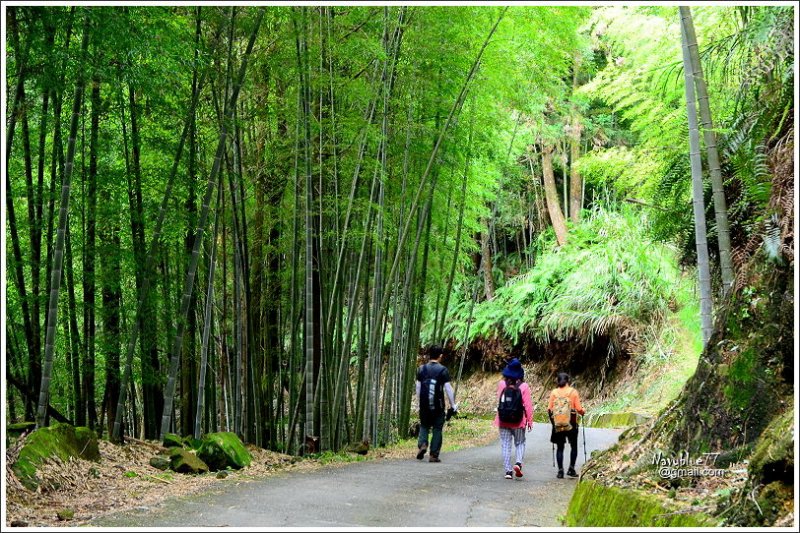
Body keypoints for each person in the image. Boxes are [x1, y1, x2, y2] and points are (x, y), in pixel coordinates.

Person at [493, 358, 534, 480]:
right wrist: (529, 420)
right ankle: (518, 463)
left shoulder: (501, 384)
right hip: (518, 421)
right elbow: (527, 405)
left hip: (503, 420)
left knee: (505, 445)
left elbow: (500, 402)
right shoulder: (524, 386)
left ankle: (508, 471)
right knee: (520, 442)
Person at [415, 345, 457, 462]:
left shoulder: (421, 369)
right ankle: (433, 455)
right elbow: (448, 389)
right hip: (438, 406)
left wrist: (420, 401)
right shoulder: (443, 370)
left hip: (424, 405)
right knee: (437, 428)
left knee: (424, 426)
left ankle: (423, 444)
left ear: (429, 355)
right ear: (440, 356)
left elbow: (418, 387)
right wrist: (453, 405)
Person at [548, 372, 585, 479]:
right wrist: (583, 412)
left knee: (560, 447)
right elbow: (579, 409)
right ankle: (571, 469)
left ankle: (560, 471)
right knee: (573, 446)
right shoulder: (573, 392)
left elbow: (549, 409)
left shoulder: (554, 393)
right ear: (568, 381)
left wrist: (553, 422)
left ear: (557, 381)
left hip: (558, 423)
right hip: (571, 423)